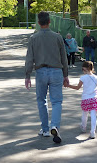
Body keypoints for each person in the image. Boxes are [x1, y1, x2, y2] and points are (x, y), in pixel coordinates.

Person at [25, 11, 69, 143]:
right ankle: (54, 125)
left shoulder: (34, 38)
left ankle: (45, 129)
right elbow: (64, 58)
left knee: (41, 100)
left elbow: (29, 59)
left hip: (41, 71)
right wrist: (65, 75)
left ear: (39, 23)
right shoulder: (57, 37)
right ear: (50, 22)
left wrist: (27, 75)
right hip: (56, 71)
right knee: (56, 101)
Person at [64, 61, 97, 139]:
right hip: (94, 99)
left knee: (84, 114)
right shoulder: (96, 77)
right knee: (93, 116)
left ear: (85, 68)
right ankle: (92, 132)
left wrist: (68, 85)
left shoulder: (83, 78)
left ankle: (83, 127)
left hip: (85, 99)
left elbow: (77, 88)